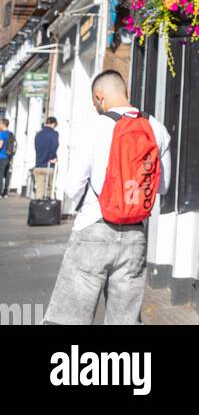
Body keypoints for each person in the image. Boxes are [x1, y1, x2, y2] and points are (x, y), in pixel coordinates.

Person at [44, 70, 171, 326]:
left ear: (99, 98)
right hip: (135, 235)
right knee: (125, 319)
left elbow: (72, 187)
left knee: (69, 317)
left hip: (94, 227)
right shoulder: (157, 128)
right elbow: (163, 187)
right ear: (127, 93)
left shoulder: (95, 127)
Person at [32, 116, 60, 199]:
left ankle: (39, 210)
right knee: (50, 190)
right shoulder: (54, 133)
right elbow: (55, 145)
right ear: (53, 124)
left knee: (39, 191)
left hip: (38, 165)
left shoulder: (38, 134)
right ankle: (48, 210)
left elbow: (36, 147)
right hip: (49, 166)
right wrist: (52, 157)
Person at [0, 118, 14, 197]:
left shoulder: (1, 133)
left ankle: (0, 192)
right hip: (9, 157)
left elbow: (0, 145)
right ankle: (5, 193)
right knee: (7, 174)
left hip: (1, 157)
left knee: (0, 175)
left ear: (3, 124)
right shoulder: (11, 134)